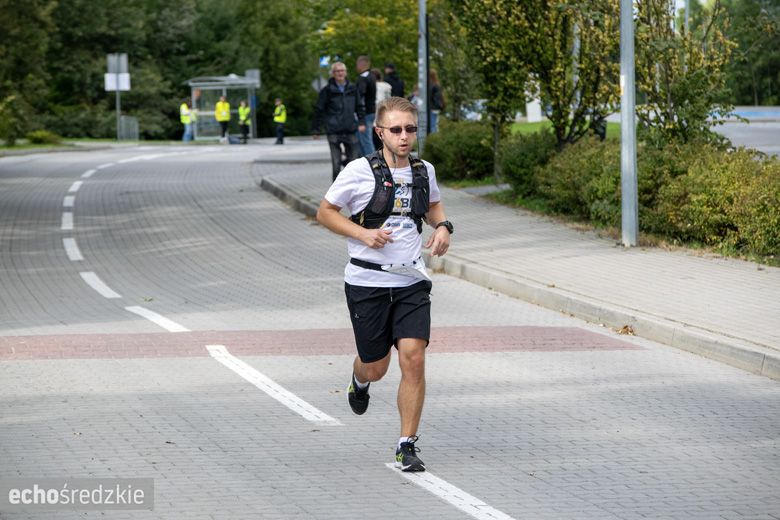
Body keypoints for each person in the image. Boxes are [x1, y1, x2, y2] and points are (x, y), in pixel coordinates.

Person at [316, 96, 454, 472]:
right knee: (377, 366)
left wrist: (443, 227)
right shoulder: (358, 171)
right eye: (396, 130)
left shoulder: (424, 170)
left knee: (414, 358)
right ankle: (360, 380)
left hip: (410, 279)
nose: (404, 136)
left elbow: (434, 206)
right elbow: (325, 212)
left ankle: (406, 444)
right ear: (380, 133)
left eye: (410, 129)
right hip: (366, 282)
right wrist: (362, 233)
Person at [312, 61, 366, 181]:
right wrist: (316, 129)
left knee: (353, 164)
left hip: (350, 129)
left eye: (342, 71)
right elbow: (319, 110)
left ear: (346, 73)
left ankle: (352, 190)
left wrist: (362, 122)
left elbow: (360, 107)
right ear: (333, 73)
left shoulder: (353, 88)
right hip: (333, 131)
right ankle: (335, 195)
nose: (340, 73)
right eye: (337, 71)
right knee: (336, 165)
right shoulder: (327, 90)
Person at [355, 56, 377, 155]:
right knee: (362, 138)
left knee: (365, 141)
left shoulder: (363, 78)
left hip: (365, 112)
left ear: (361, 64)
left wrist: (360, 116)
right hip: (372, 111)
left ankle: (373, 163)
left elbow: (360, 96)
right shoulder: (372, 76)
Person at [429, 69, 445, 134]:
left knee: (432, 126)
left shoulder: (431, 86)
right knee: (434, 125)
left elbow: (431, 97)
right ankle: (435, 140)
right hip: (436, 107)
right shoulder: (437, 85)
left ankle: (433, 140)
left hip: (432, 107)